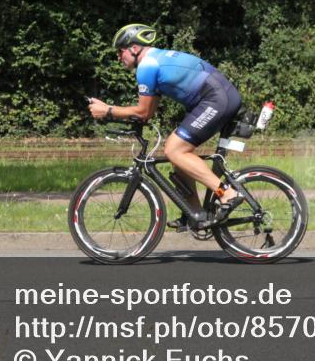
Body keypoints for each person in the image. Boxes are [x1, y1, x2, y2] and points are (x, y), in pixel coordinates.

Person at [87, 23, 242, 226]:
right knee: (178, 159)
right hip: (214, 97)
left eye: (120, 51)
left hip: (216, 98)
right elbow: (147, 113)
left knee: (174, 150)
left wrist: (107, 110)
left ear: (134, 48)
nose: (118, 57)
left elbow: (143, 111)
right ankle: (195, 215)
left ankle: (227, 194)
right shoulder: (155, 60)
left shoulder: (147, 65)